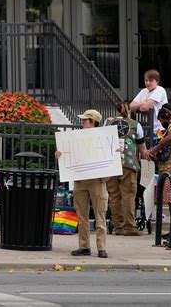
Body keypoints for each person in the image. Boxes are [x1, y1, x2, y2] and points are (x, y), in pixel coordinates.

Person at [55, 109, 109, 258]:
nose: (82, 122)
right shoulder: (75, 138)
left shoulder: (104, 138)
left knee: (100, 214)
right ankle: (84, 246)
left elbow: (111, 157)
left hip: (97, 180)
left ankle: (101, 247)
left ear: (93, 122)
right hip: (80, 180)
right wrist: (60, 155)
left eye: (85, 120)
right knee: (82, 215)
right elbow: (68, 154)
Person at [105, 102, 148, 236]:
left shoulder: (107, 122)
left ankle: (118, 227)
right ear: (129, 110)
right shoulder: (136, 125)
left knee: (114, 195)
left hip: (111, 162)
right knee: (128, 195)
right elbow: (142, 149)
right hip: (128, 163)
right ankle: (129, 227)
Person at [147, 104, 171, 239]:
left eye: (162, 121)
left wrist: (156, 148)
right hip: (170, 169)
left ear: (168, 118)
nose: (162, 124)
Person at [129, 69, 168, 134]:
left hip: (158, 130)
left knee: (154, 144)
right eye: (146, 80)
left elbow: (144, 108)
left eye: (151, 81)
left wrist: (138, 106)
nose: (147, 83)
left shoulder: (159, 90)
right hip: (145, 128)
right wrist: (142, 103)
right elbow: (130, 107)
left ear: (157, 81)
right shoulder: (143, 91)